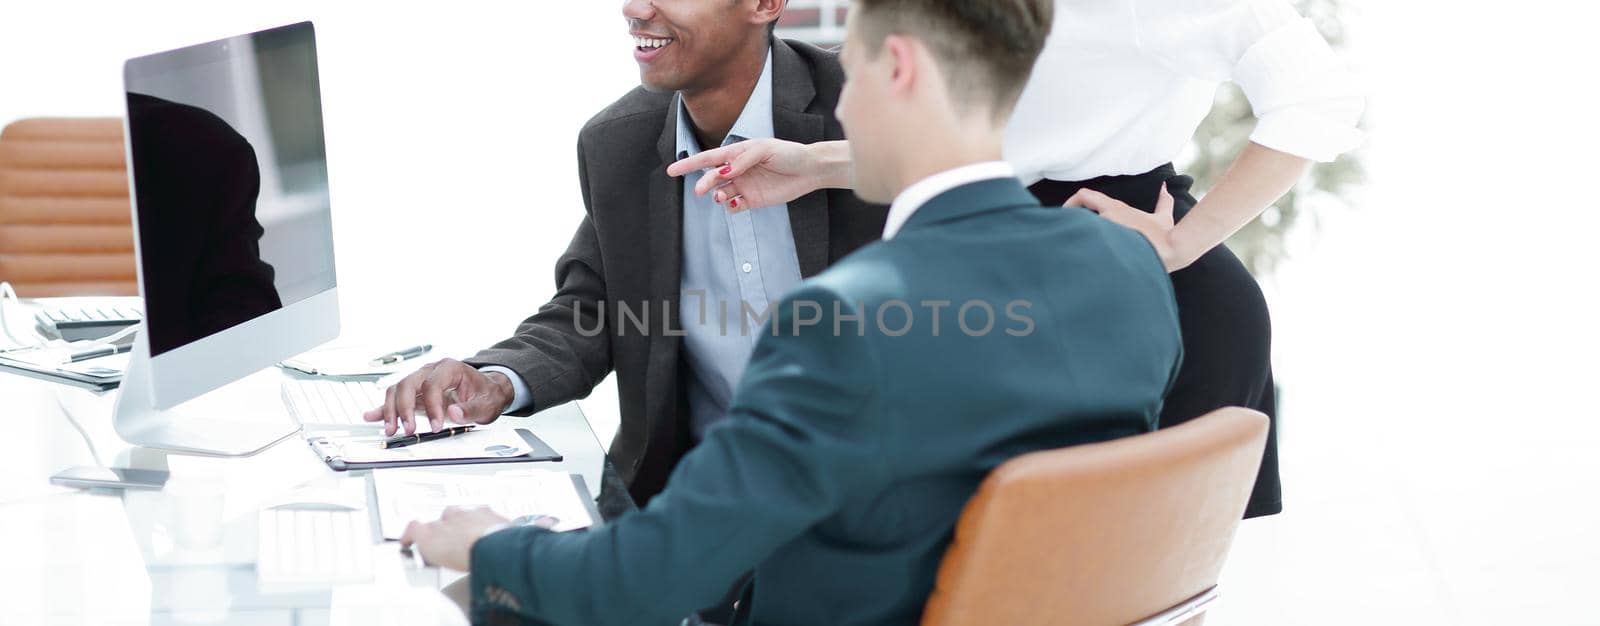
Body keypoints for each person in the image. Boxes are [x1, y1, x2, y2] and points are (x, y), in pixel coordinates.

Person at [398, 0, 1183, 623]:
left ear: (897, 68)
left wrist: (490, 547)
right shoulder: (1129, 266)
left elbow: (635, 586)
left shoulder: (839, 325)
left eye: (859, 61)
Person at [667, 0, 1366, 518]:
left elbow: (1318, 97)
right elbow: (1005, 142)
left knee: (1146, 576)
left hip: (1144, 302)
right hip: (1012, 265)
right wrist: (813, 164)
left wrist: (1185, 239)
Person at [363, 0, 887, 514]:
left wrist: (828, 163)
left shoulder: (875, 100)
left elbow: (966, 167)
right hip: (704, 496)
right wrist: (498, 379)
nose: (635, 9)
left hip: (876, 496)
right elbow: (594, 307)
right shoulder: (619, 142)